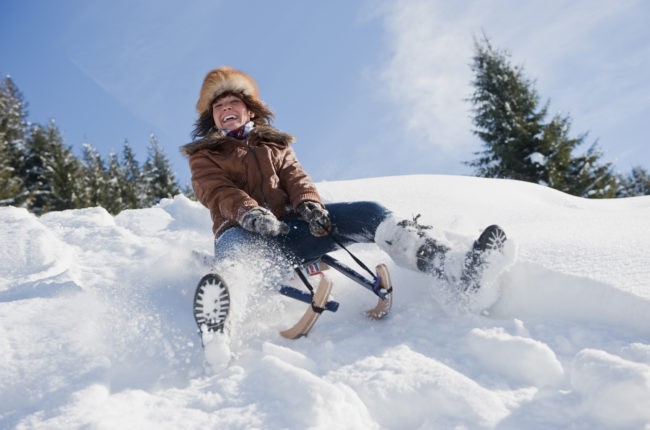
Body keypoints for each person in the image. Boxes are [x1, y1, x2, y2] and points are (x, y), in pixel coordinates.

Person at [181, 66, 505, 291]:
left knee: (369, 212)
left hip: (290, 231)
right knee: (236, 253)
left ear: (250, 110)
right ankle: (224, 306)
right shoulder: (205, 154)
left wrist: (309, 206)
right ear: (212, 118)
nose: (226, 109)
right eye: (218, 106)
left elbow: (296, 178)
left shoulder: (275, 145)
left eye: (233, 101)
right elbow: (216, 191)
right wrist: (249, 213)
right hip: (243, 234)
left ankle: (452, 267)